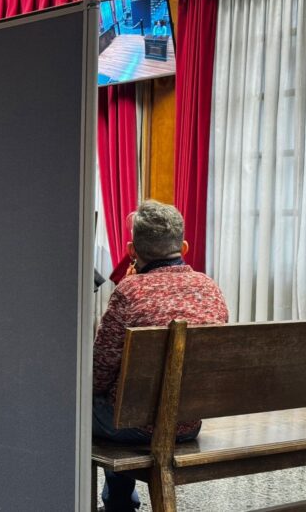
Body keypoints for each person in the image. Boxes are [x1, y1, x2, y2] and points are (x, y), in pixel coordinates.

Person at [93, 200, 228, 511]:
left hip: (134, 426)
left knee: (89, 407)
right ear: (183, 246)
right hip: (189, 421)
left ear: (132, 250)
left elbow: (99, 373)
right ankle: (119, 502)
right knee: (122, 403)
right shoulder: (210, 288)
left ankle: (116, 503)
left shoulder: (129, 291)